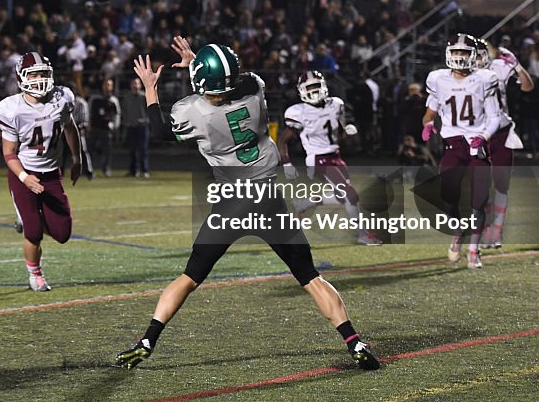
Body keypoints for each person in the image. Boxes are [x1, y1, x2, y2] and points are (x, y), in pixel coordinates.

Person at [114, 39, 380, 371]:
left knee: (190, 277)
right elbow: (233, 81)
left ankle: (147, 340)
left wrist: (151, 88)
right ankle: (354, 342)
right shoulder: (255, 90)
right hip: (269, 201)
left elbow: (159, 130)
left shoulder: (191, 112)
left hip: (231, 205)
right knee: (310, 277)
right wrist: (200, 61)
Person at [0, 53, 86, 291]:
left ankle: (27, 219)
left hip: (51, 173)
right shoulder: (11, 108)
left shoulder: (62, 97)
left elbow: (69, 127)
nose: (39, 79)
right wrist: (25, 178)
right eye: (33, 74)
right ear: (21, 78)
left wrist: (77, 158)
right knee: (34, 232)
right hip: (23, 173)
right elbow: (9, 153)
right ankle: (35, 273)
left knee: (63, 233)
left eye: (43, 73)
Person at [421, 34, 504, 269]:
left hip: (477, 145)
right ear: (449, 54)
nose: (459, 57)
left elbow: (495, 117)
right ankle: (457, 230)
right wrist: (427, 124)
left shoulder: (484, 79)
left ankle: (474, 250)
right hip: (453, 145)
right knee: (447, 196)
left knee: (478, 199)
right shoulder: (437, 79)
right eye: (456, 52)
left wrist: (484, 136)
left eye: (464, 53)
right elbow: (430, 111)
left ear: (473, 56)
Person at [279, 71, 380, 245]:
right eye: (309, 87)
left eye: (316, 86)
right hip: (317, 158)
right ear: (301, 90)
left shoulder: (336, 104)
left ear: (323, 86)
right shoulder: (298, 112)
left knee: (342, 197)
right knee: (351, 195)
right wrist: (287, 164)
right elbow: (282, 140)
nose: (313, 91)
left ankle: (303, 204)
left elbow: (338, 133)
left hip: (335, 155)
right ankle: (362, 234)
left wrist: (346, 131)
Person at [474, 39, 535, 249]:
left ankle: (496, 231)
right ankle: (486, 229)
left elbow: (528, 86)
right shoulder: (460, 74)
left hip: (500, 131)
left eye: (483, 53)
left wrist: (517, 65)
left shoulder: (498, 67)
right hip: (475, 133)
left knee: (500, 185)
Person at [88, 78, 121, 177]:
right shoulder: (95, 99)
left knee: (107, 151)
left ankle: (106, 168)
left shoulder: (113, 100)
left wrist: (115, 126)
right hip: (94, 127)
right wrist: (88, 123)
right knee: (89, 150)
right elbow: (89, 111)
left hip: (106, 129)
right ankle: (87, 169)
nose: (107, 87)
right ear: (102, 86)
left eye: (110, 85)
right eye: (106, 84)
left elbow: (117, 114)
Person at [120, 77, 150, 177]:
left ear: (140, 85)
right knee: (132, 150)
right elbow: (124, 111)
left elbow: (150, 112)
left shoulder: (144, 97)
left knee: (143, 150)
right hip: (131, 126)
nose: (135, 86)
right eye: (133, 84)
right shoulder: (127, 97)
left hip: (142, 127)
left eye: (137, 84)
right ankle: (133, 171)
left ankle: (144, 170)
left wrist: (145, 121)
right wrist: (126, 121)